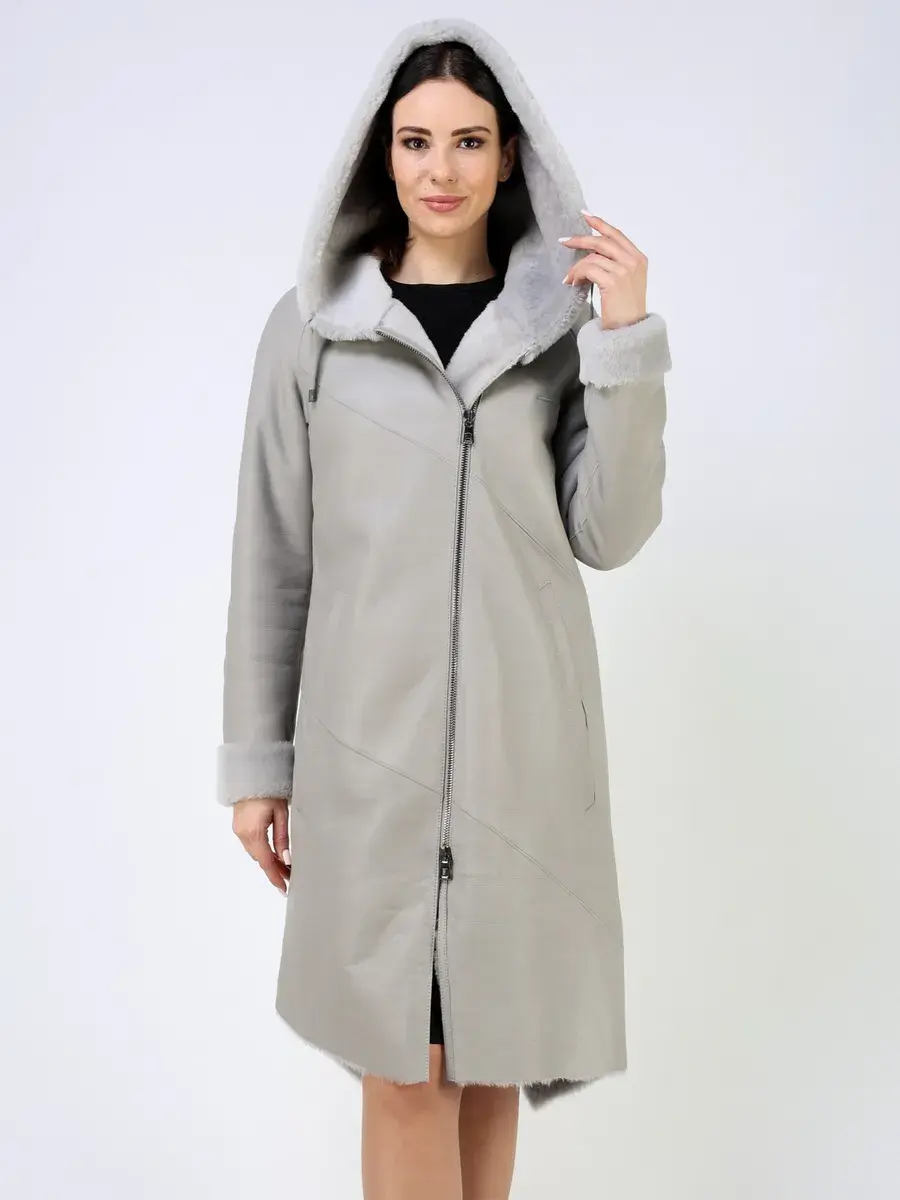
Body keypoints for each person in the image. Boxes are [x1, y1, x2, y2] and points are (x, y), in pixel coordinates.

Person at [215, 16, 672, 1200]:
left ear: (510, 156)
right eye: (416, 140)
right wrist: (260, 765)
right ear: (382, 153)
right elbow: (273, 554)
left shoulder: (555, 332)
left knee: (481, 1061)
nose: (442, 169)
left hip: (523, 763)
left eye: (470, 141)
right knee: (405, 1071)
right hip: (367, 764)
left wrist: (625, 343)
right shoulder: (313, 332)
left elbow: (610, 531)